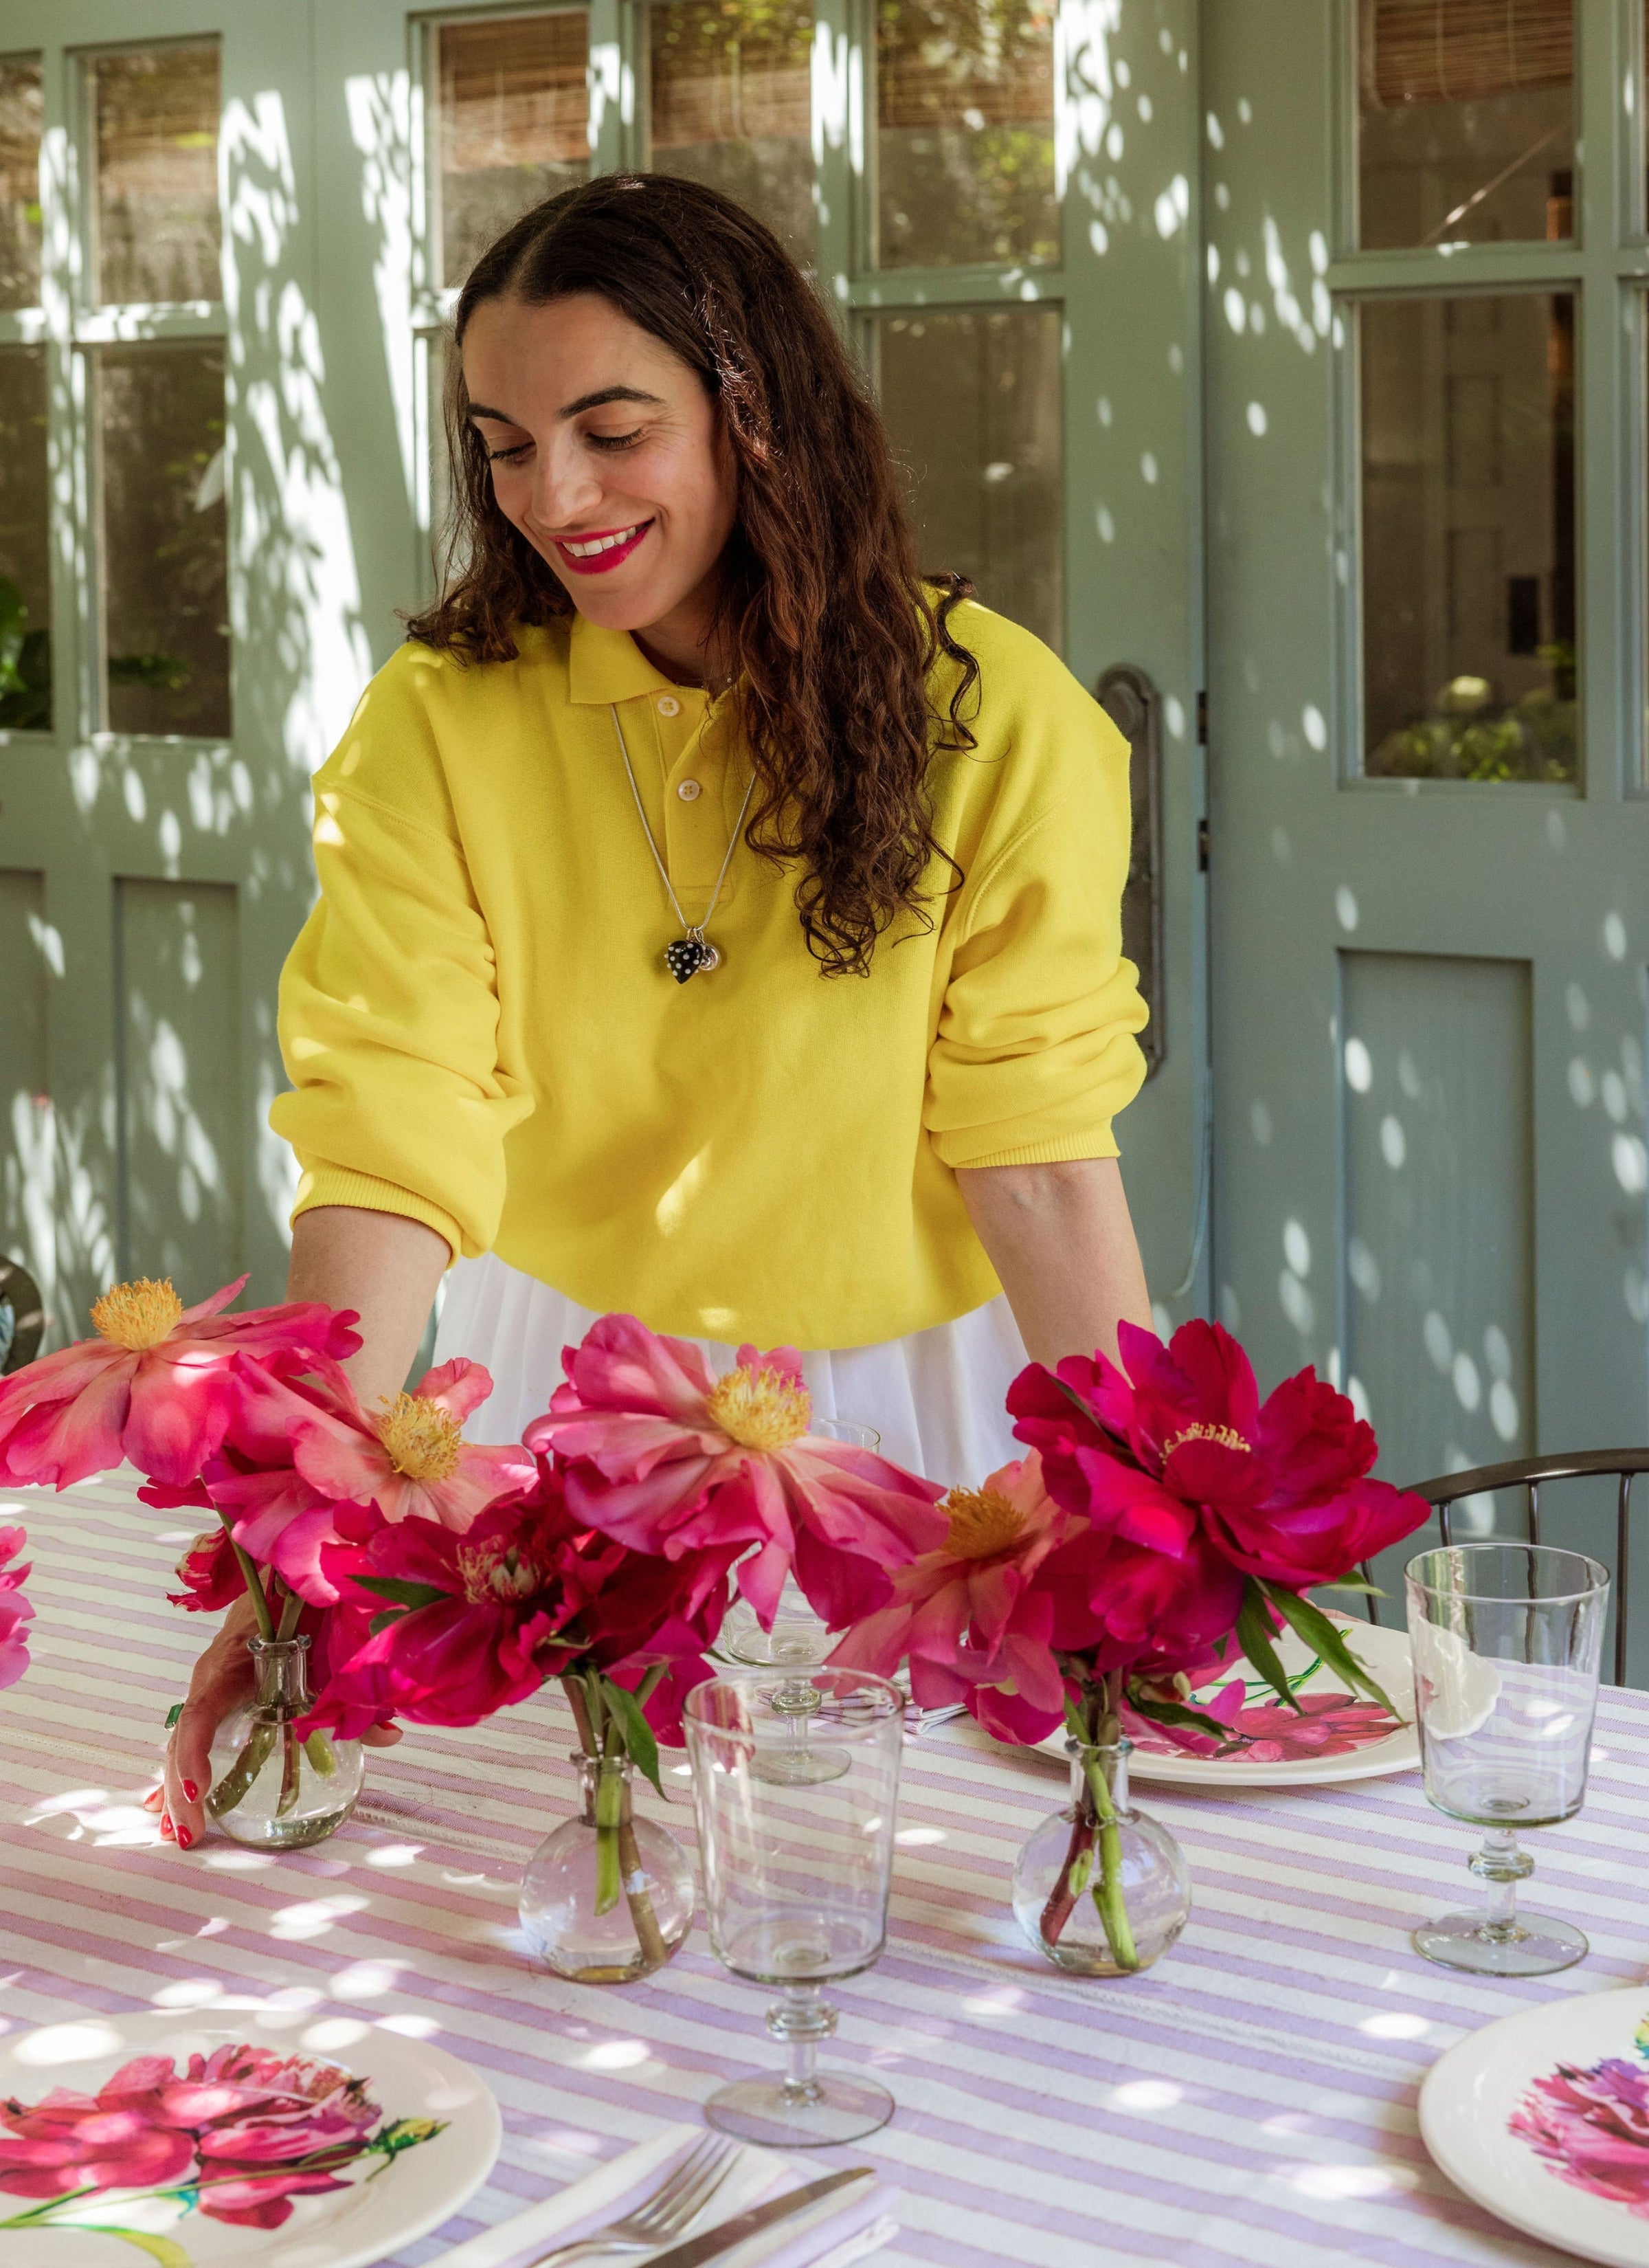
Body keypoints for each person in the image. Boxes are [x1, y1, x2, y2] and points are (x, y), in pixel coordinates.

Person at [154, 173, 1152, 1851]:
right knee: (555, 1892)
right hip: (567, 1406)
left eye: (612, 429)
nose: (554, 494)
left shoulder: (1006, 720)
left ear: (751, 412)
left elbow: (1040, 1154)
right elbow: (388, 1135)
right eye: (504, 442)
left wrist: (1144, 1513)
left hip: (923, 1420)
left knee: (920, 1903)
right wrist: (292, 1546)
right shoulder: (435, 731)